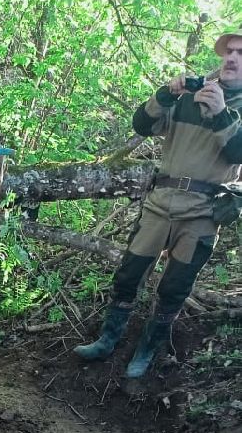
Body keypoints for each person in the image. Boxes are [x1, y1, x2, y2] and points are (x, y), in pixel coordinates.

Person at [75, 29, 242, 377]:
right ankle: (108, 340)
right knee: (129, 274)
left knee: (175, 288)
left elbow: (237, 152)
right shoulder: (191, 94)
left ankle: (147, 350)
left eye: (241, 54)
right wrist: (166, 94)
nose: (232, 58)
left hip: (202, 213)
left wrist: (223, 115)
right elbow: (142, 124)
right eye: (229, 52)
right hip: (160, 202)